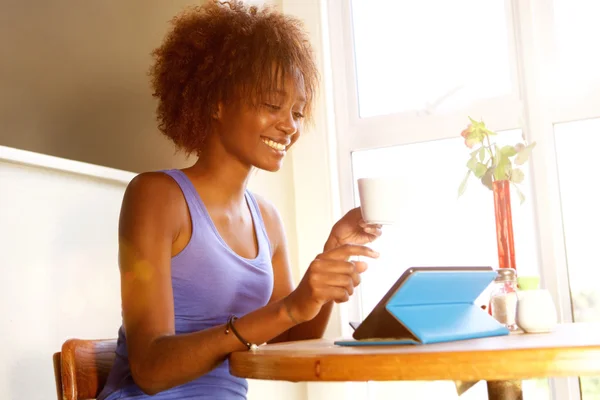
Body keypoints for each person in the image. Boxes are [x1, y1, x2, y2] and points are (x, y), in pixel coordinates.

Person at [98, 1, 381, 399]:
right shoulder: (156, 197)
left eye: (298, 112)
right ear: (216, 101)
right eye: (272, 105)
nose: (289, 126)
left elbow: (289, 345)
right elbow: (150, 368)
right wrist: (287, 309)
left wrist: (329, 264)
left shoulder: (267, 219)